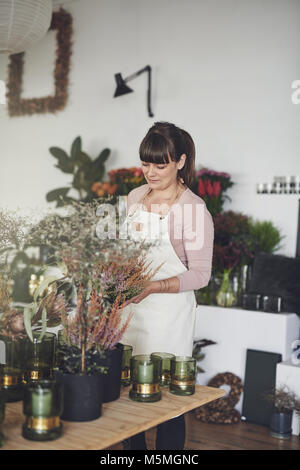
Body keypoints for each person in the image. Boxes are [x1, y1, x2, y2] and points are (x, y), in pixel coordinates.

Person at [120, 121, 214, 450]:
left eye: (160, 165)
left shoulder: (193, 210)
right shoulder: (134, 197)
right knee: (127, 397)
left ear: (181, 162)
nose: (151, 173)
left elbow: (201, 275)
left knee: (168, 405)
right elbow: (124, 253)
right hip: (131, 313)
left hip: (168, 317)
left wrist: (153, 286)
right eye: (146, 164)